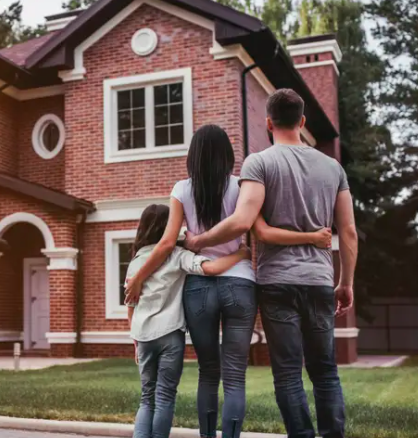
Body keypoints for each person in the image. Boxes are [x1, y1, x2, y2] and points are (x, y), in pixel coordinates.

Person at [124, 125, 330, 438]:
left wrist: (138, 277)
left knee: (208, 372)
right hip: (240, 285)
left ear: (192, 157)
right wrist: (246, 252)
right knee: (235, 376)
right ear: (228, 156)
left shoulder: (181, 190)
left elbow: (166, 244)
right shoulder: (242, 186)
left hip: (199, 289)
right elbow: (257, 228)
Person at [184, 89, 358, 438]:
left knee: (288, 373)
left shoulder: (259, 162)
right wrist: (345, 282)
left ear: (268, 122)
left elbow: (242, 222)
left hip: (277, 282)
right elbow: (349, 232)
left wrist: (198, 241)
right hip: (320, 279)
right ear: (303, 121)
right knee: (326, 371)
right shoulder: (332, 167)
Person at [125, 204, 251, 438]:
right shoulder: (177, 256)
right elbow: (211, 268)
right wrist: (241, 254)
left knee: (146, 397)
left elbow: (131, 306)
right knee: (164, 397)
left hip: (142, 337)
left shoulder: (135, 262)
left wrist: (135, 341)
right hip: (170, 335)